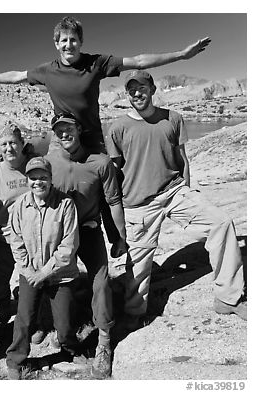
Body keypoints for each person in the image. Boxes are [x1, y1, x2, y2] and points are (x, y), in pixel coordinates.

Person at [105, 70, 247, 324]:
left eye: (142, 87)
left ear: (152, 89)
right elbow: (114, 172)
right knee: (138, 266)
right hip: (139, 203)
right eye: (131, 89)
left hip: (174, 191)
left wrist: (189, 190)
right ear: (127, 94)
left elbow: (182, 159)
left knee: (221, 223)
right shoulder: (118, 128)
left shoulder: (173, 119)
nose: (137, 93)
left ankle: (228, 298)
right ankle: (134, 315)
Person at [0, 15, 211, 154]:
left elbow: (137, 60)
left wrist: (181, 55)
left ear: (81, 41)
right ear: (56, 43)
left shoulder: (97, 63)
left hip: (92, 138)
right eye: (64, 40)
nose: (69, 45)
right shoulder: (47, 70)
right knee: (57, 184)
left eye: (73, 40)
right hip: (61, 138)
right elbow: (16, 76)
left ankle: (116, 241)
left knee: (107, 189)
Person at [44, 114, 128, 378]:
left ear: (79, 129)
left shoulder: (100, 163)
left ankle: (104, 340)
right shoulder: (49, 162)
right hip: (60, 234)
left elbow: (112, 202)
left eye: (69, 128)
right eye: (59, 130)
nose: (65, 134)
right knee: (58, 282)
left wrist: (119, 237)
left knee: (101, 282)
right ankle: (63, 332)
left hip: (89, 230)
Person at [5, 157, 80, 380]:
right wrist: (30, 272)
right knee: (24, 318)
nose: (38, 182)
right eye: (33, 178)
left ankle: (71, 350)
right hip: (30, 273)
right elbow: (15, 240)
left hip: (60, 275)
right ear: (27, 180)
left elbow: (69, 246)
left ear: (50, 179)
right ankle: (15, 360)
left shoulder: (66, 204)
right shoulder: (20, 205)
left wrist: (44, 273)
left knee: (64, 325)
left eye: (43, 178)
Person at [0, 124, 38, 337]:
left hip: (32, 238)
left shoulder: (34, 166)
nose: (9, 148)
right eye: (4, 144)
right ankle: (2, 315)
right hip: (1, 236)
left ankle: (33, 319)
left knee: (32, 279)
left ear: (22, 144)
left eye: (13, 142)